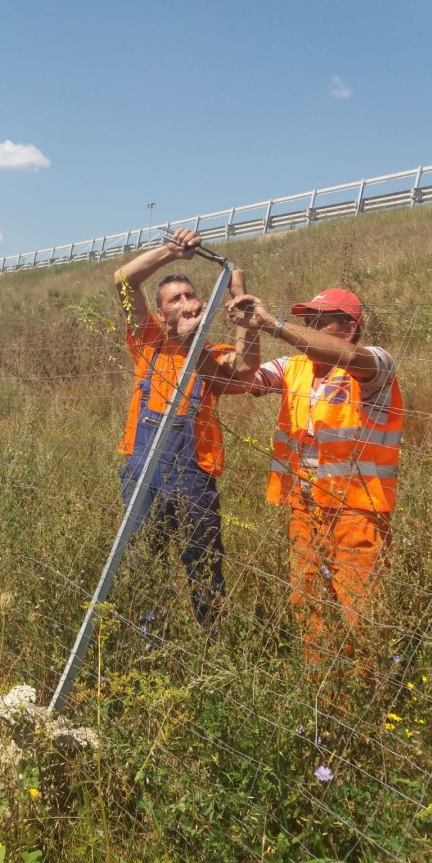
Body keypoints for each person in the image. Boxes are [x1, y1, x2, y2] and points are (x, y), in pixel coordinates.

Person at [226, 288, 403, 669]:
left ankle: (366, 708)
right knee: (308, 607)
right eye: (309, 320)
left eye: (322, 320)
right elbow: (242, 381)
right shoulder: (294, 365)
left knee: (363, 615)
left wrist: (272, 323)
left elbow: (353, 357)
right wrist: (247, 329)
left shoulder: (374, 363)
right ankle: (322, 696)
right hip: (305, 509)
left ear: (351, 327)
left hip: (357, 512)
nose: (310, 327)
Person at [114, 228, 259, 629]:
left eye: (191, 295)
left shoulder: (212, 357)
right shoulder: (148, 343)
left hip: (195, 477)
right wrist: (171, 252)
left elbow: (245, 371)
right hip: (141, 471)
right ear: (160, 314)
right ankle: (145, 638)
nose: (187, 302)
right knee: (145, 559)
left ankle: (209, 640)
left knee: (204, 565)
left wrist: (238, 295)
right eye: (175, 299)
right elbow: (124, 280)